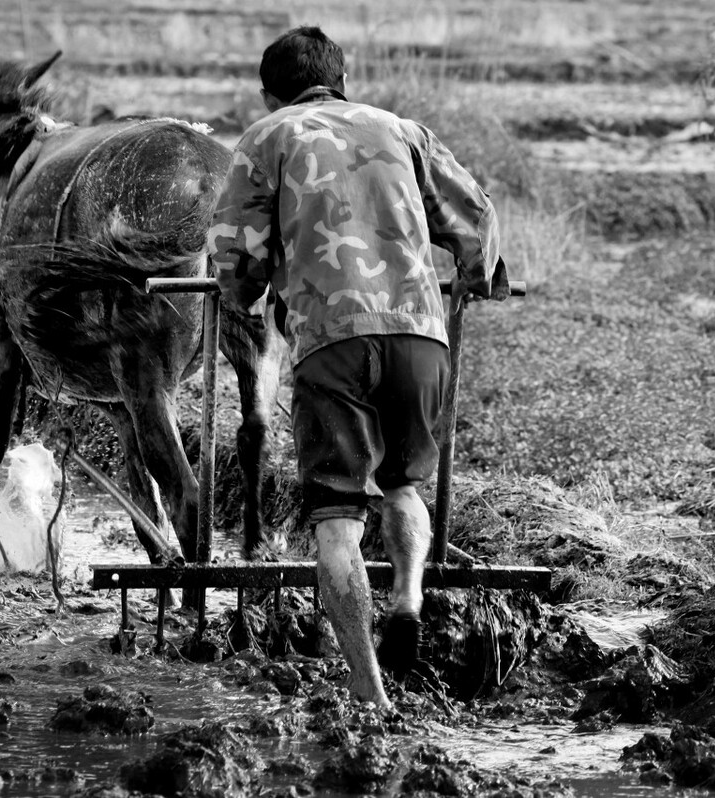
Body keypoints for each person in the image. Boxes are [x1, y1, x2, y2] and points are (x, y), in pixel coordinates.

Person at [208, 25, 508, 707]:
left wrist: (242, 295)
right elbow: (476, 221)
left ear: (270, 90)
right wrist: (473, 274)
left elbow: (235, 257)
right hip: (419, 339)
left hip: (330, 341)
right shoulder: (402, 130)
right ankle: (406, 598)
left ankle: (368, 690)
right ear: (339, 80)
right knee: (404, 486)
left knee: (337, 520)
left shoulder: (269, 137)